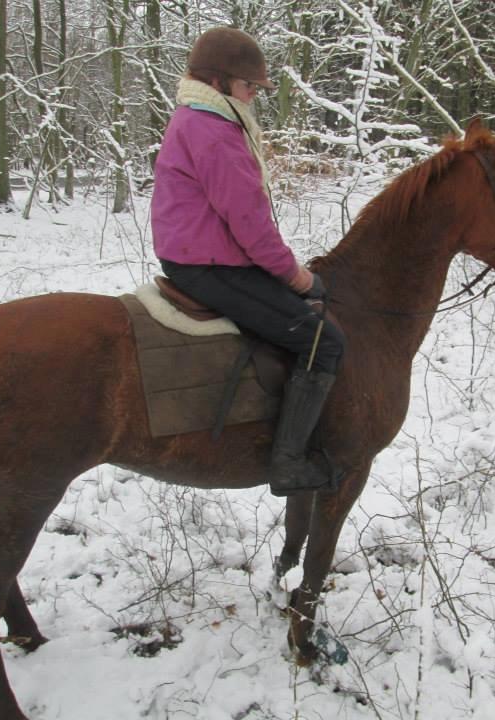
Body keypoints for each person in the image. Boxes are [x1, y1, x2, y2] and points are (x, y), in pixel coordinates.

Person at [151, 26, 345, 497]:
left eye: (257, 88)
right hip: (210, 264)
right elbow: (250, 225)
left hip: (199, 253)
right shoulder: (215, 131)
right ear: (218, 82)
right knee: (324, 340)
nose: (255, 96)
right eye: (249, 87)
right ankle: (288, 464)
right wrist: (296, 276)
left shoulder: (198, 117)